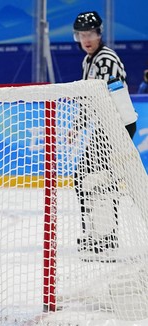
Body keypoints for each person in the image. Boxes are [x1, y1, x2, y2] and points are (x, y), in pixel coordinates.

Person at [72, 11, 138, 254]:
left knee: (98, 179)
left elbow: (106, 99)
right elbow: (89, 100)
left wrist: (85, 125)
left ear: (99, 34)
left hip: (115, 126)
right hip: (104, 126)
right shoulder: (88, 61)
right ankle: (95, 231)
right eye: (81, 34)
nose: (86, 39)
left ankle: (106, 235)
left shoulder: (105, 59)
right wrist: (77, 126)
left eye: (90, 33)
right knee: (83, 178)